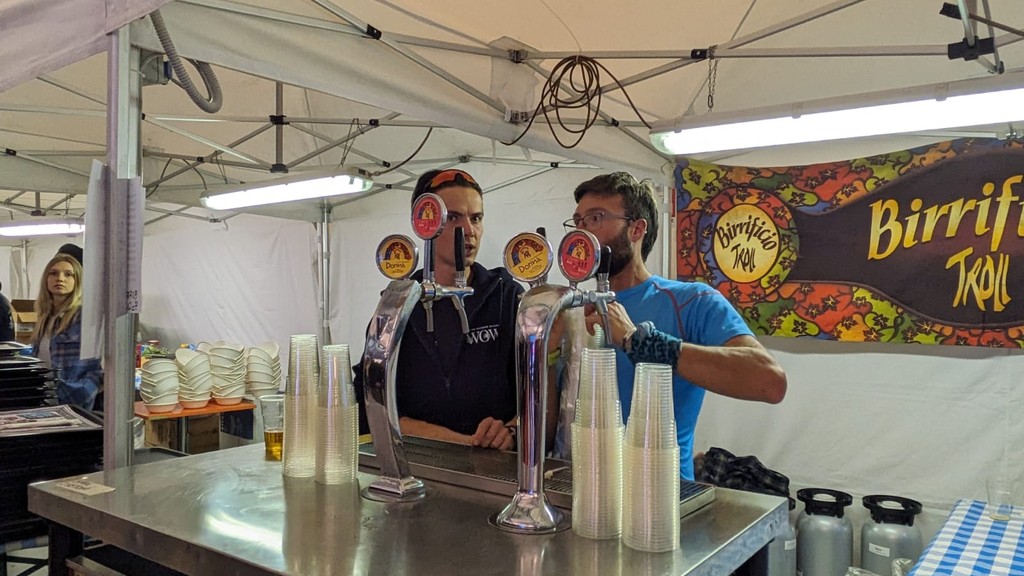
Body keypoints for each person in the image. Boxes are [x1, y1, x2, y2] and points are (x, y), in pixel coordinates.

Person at [569, 172, 787, 480]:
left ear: (636, 229)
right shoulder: (571, 310)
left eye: (595, 218)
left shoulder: (691, 301)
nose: (582, 232)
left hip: (662, 494)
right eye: (577, 221)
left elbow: (769, 381)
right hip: (580, 488)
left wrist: (639, 342)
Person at [354, 168, 525, 451]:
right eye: (453, 217)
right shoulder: (397, 304)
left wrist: (511, 431)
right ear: (424, 225)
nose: (469, 231)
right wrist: (465, 444)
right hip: (417, 462)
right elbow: (371, 403)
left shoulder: (506, 296)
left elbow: (537, 395)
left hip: (496, 466)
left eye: (476, 218)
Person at [31, 254, 103, 411]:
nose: (60, 278)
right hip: (45, 398)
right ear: (46, 279)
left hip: (73, 399)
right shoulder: (45, 317)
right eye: (53, 273)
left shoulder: (85, 315)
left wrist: (85, 390)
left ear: (78, 280)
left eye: (68, 274)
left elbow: (103, 361)